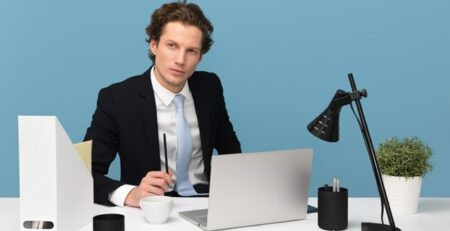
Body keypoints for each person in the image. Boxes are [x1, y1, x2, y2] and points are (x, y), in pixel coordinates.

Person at [84, 2, 241, 207]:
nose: (180, 60)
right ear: (154, 45)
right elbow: (85, 174)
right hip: (150, 209)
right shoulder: (117, 99)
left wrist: (237, 190)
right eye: (172, 45)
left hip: (208, 203)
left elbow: (230, 148)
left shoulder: (209, 87)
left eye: (191, 51)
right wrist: (132, 194)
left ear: (200, 57)